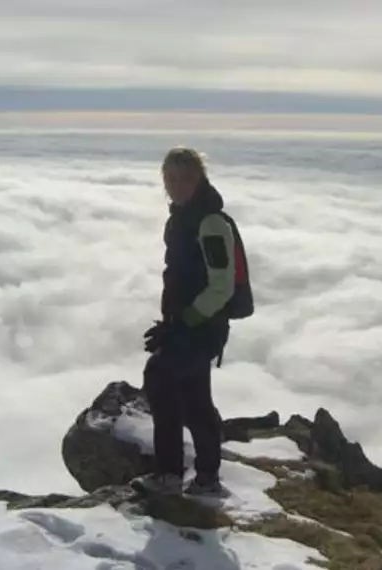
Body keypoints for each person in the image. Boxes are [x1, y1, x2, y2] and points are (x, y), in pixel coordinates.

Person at [133, 146, 253, 496]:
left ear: (200, 179)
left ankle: (170, 475)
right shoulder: (184, 217)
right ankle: (206, 478)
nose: (177, 184)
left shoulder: (210, 223)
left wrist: (181, 324)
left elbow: (221, 285)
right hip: (193, 324)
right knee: (195, 397)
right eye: (170, 178)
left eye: (185, 178)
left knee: (160, 379)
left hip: (202, 326)